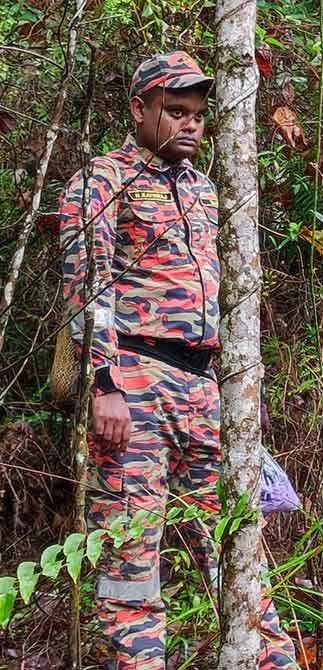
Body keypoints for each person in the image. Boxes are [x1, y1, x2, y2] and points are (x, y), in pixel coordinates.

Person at [59, 51, 297, 669]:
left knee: (236, 544)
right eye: (176, 111)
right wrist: (104, 382)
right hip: (133, 383)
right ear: (140, 110)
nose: (190, 124)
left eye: (198, 114)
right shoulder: (101, 181)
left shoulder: (204, 189)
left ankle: (271, 660)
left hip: (203, 386)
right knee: (130, 554)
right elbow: (88, 286)